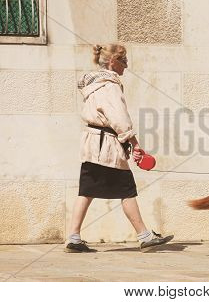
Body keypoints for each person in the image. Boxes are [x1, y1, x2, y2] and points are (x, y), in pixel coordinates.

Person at [65, 43, 173, 253]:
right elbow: (119, 118)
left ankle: (73, 236)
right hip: (105, 146)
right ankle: (144, 236)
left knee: (86, 190)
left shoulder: (95, 84)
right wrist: (134, 143)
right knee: (126, 188)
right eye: (124, 61)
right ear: (113, 62)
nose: (126, 66)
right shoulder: (109, 85)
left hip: (93, 144)